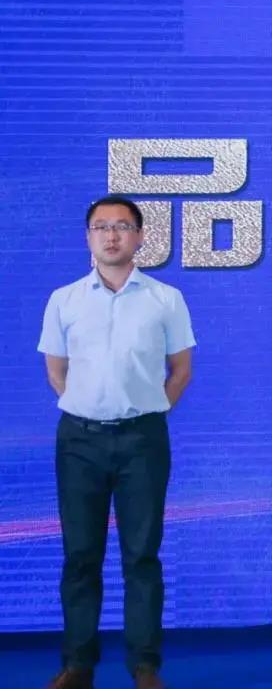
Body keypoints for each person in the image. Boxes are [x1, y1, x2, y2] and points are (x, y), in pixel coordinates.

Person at [38, 195, 195, 689]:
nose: (111, 236)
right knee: (80, 555)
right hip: (79, 441)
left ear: (140, 237)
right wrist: (91, 407)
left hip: (142, 441)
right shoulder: (64, 300)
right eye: (101, 227)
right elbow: (57, 371)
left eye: (122, 226)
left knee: (141, 555)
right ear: (88, 237)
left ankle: (144, 667)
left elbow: (181, 370)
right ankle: (78, 665)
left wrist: (146, 410)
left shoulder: (165, 299)